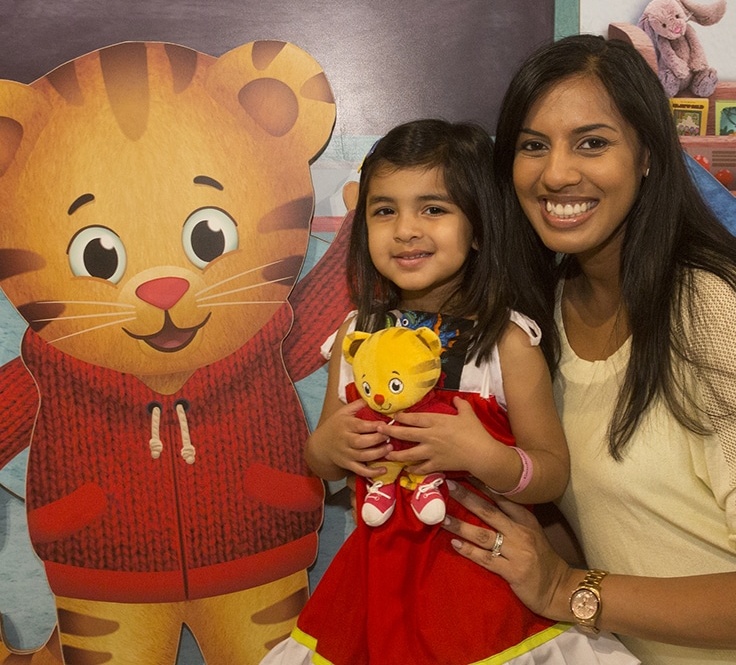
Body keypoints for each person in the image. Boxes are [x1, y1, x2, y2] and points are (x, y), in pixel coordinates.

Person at [262, 119, 638, 664]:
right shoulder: (355, 335)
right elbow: (321, 459)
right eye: (384, 210)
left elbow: (551, 471)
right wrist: (331, 449)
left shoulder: (506, 341)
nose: (406, 229)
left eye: (434, 209)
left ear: (479, 228)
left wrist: (487, 457)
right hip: (375, 587)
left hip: (482, 585)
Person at [445, 34, 736, 664]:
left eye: (592, 142)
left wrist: (563, 587)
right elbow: (606, 523)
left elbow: (570, 580)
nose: (555, 173)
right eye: (532, 146)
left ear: (649, 155)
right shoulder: (541, 315)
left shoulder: (711, 309)